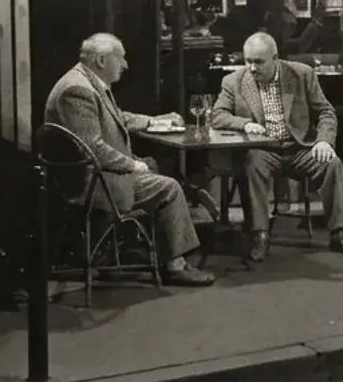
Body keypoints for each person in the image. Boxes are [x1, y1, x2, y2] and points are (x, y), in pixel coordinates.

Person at [43, 34, 215, 287]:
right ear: (101, 60)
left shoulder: (87, 82)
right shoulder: (77, 90)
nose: (125, 65)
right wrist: (131, 165)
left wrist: (154, 121)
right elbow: (91, 146)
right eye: (121, 58)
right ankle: (175, 266)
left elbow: (117, 117)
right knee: (169, 188)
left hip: (94, 176)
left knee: (156, 167)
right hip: (91, 184)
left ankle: (136, 247)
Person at [210, 31, 343, 264]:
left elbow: (325, 112)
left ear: (275, 58)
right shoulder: (234, 81)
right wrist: (246, 124)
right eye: (248, 61)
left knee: (332, 164)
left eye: (258, 62)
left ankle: (339, 232)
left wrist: (323, 141)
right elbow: (218, 116)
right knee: (251, 162)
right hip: (263, 149)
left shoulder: (301, 75)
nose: (252, 67)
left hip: (298, 147)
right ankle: (259, 234)